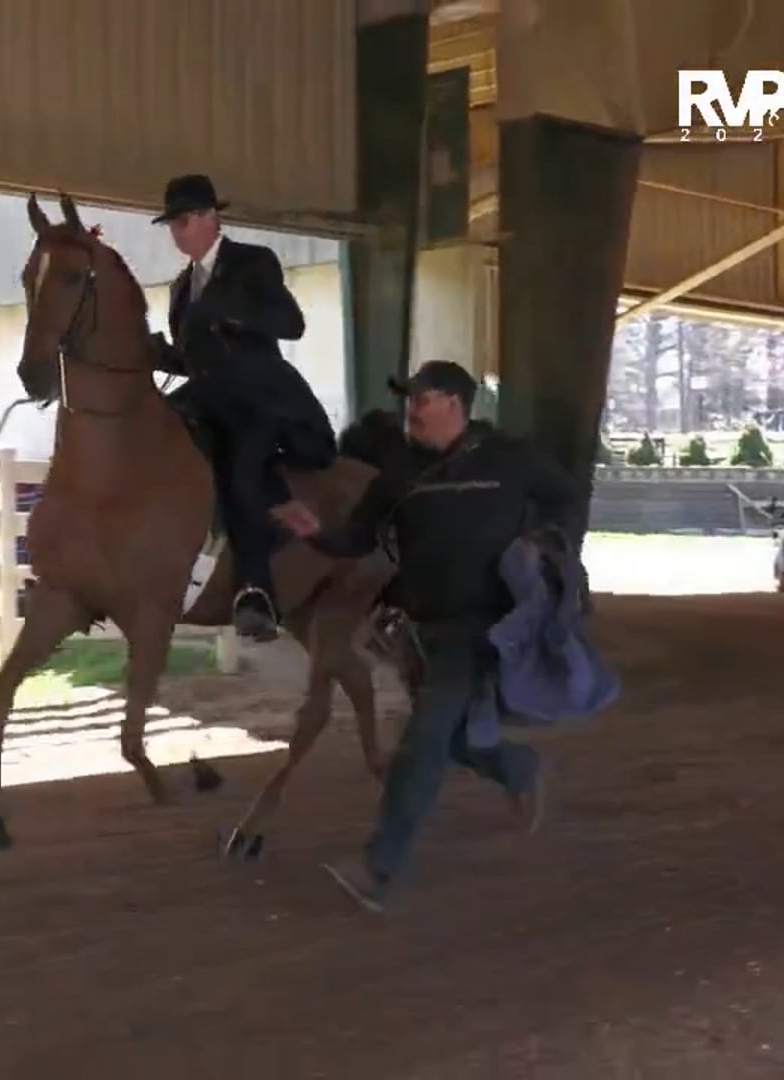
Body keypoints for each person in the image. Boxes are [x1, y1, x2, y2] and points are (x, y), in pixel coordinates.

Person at [274, 360, 588, 913]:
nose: (411, 409)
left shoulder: (509, 459)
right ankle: (516, 767)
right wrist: (317, 535)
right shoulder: (398, 472)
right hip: (420, 632)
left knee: (422, 741)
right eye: (410, 399)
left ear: (455, 404)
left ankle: (379, 868)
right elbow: (358, 538)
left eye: (423, 398)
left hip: (485, 627)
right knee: (451, 737)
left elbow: (567, 494)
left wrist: (547, 547)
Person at [147, 173, 337, 642]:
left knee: (239, 473)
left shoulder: (253, 263)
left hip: (258, 399)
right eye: (172, 223)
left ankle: (256, 592)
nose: (177, 232)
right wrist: (155, 354)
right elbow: (194, 361)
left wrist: (226, 311)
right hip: (207, 400)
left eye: (185, 220)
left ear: (211, 217)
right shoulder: (178, 289)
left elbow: (290, 325)